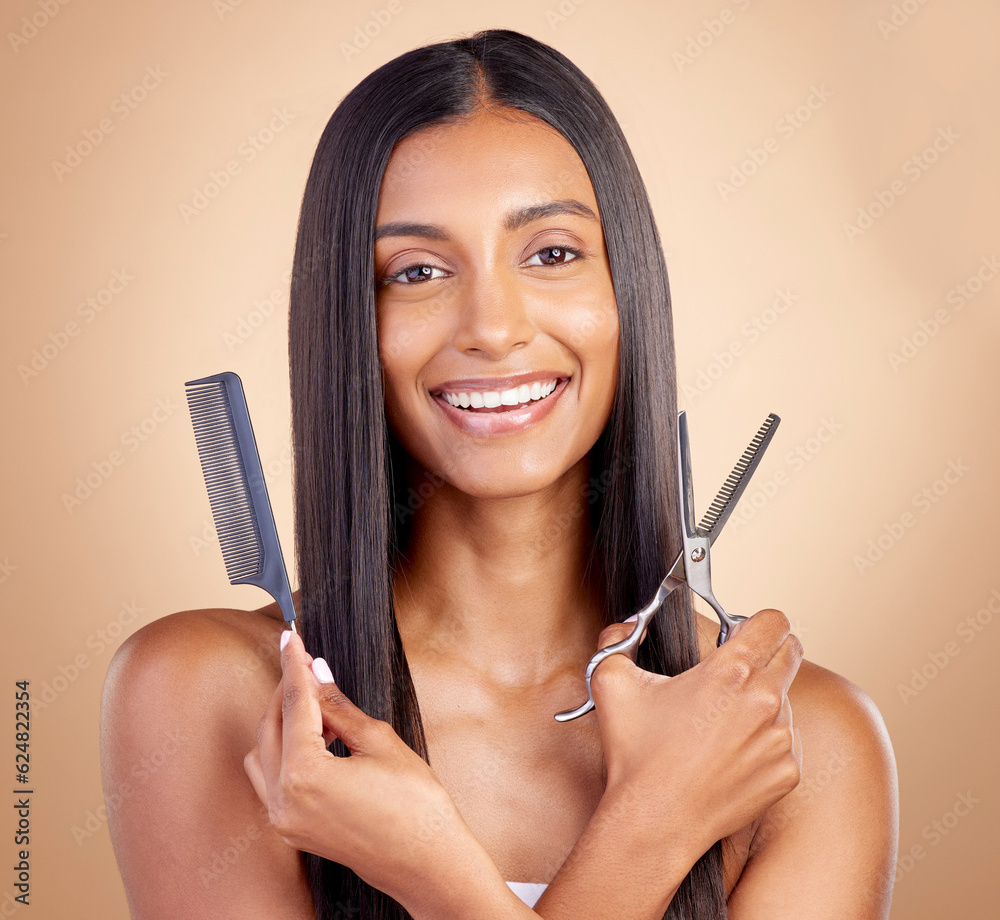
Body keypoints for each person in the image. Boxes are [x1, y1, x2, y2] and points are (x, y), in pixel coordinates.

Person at [100, 29, 897, 920]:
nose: (493, 325)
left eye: (552, 253)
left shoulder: (796, 746)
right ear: (347, 326)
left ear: (626, 289)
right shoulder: (213, 698)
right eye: (418, 270)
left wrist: (439, 874)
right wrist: (653, 826)